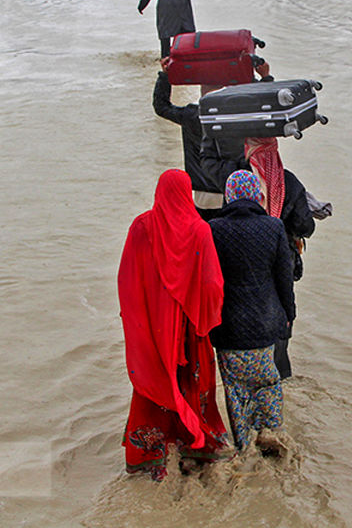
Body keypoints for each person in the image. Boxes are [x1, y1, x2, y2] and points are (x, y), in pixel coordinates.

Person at [118, 169, 229, 479]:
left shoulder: (141, 226)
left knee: (154, 381)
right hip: (191, 328)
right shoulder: (199, 229)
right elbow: (211, 285)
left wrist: (136, 321)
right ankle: (197, 446)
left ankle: (149, 454)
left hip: (153, 326)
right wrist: (207, 319)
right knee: (194, 382)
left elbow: (128, 278)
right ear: (187, 192)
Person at [208, 171, 295, 453]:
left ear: (229, 194)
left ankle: (244, 447)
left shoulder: (213, 229)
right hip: (265, 323)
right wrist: (289, 312)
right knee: (268, 381)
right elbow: (284, 276)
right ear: (258, 195)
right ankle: (271, 436)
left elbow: (208, 281)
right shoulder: (273, 227)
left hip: (228, 328)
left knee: (235, 389)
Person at [153, 60, 271, 220]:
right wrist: (264, 78)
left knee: (206, 237)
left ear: (202, 89)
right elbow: (267, 108)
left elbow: (161, 107)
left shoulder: (192, 115)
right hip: (233, 187)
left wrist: (165, 75)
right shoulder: (235, 115)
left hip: (202, 193)